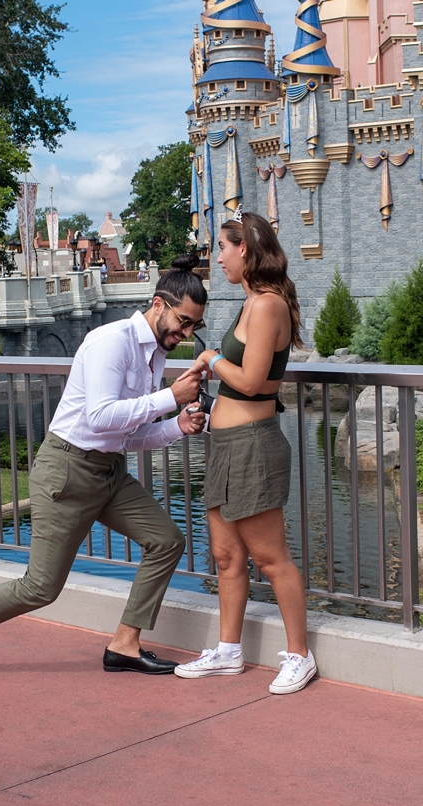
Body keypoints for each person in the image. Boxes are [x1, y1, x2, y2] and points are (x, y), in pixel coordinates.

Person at [0, 258, 210, 675]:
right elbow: (100, 418)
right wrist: (170, 399)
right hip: (67, 471)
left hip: (108, 471)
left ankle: (125, 645)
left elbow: (123, 435)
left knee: (167, 541)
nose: (187, 333)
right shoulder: (113, 341)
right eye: (183, 321)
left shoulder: (154, 354)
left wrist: (176, 426)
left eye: (194, 326)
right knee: (41, 587)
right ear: (159, 304)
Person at [173, 210, 314, 694]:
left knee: (271, 557)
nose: (217, 258)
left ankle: (300, 655)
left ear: (245, 251)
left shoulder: (268, 304)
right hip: (227, 443)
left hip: (254, 445)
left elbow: (254, 383)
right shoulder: (250, 303)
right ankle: (229, 651)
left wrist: (210, 357)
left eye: (222, 248)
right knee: (226, 555)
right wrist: (213, 367)